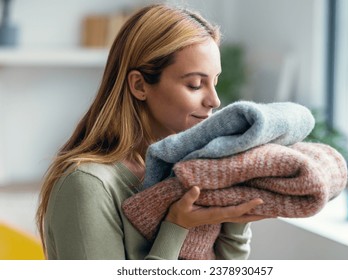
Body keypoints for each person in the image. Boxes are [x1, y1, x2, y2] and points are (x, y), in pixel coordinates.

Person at [36, 3, 269, 260]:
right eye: (194, 84)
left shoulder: (186, 170)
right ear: (139, 85)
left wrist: (234, 220)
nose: (214, 101)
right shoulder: (88, 185)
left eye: (215, 82)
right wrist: (176, 227)